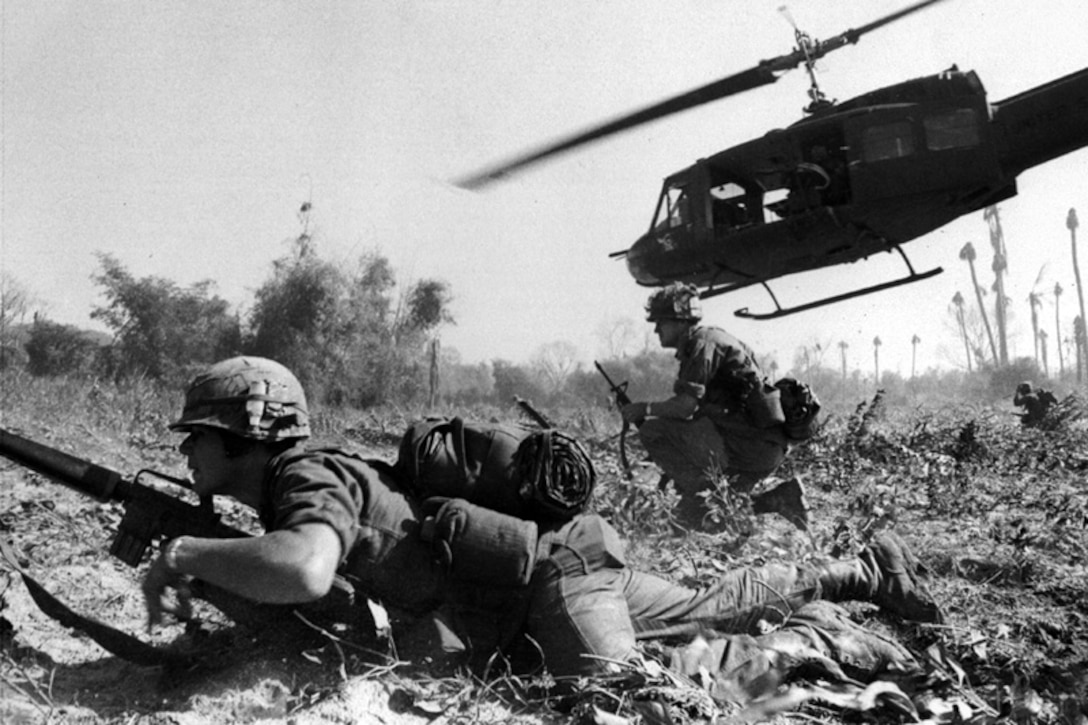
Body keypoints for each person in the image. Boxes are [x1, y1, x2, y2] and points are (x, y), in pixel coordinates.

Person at [142, 356, 942, 699]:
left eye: (197, 432)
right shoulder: (310, 477)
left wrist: (182, 552)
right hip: (555, 566)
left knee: (631, 690)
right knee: (707, 598)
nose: (185, 445)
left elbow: (306, 569)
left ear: (242, 434)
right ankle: (861, 570)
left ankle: (821, 637)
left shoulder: (303, 476)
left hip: (551, 579)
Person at [619, 283, 806, 530]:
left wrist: (644, 409)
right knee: (707, 517)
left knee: (652, 431)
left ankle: (698, 495)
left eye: (660, 322)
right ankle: (782, 498)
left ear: (680, 320)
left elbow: (685, 407)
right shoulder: (714, 339)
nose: (656, 330)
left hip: (747, 445)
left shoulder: (701, 344)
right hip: (763, 447)